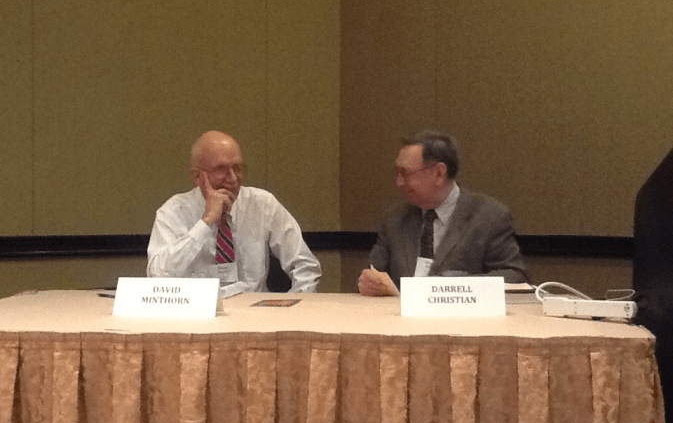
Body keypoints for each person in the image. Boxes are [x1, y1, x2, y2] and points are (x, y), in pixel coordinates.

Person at [147, 130, 321, 296]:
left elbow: (305, 266)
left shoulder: (262, 203)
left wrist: (294, 310)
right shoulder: (174, 211)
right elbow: (158, 275)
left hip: (255, 313)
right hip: (197, 315)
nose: (232, 178)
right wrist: (205, 223)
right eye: (221, 169)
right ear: (197, 177)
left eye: (237, 168)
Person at [358, 129, 527, 296]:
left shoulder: (489, 216)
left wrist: (449, 287)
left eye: (405, 173)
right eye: (397, 172)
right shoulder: (396, 218)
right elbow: (375, 273)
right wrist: (369, 283)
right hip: (399, 319)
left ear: (439, 173)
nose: (399, 182)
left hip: (464, 321)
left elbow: (513, 277)